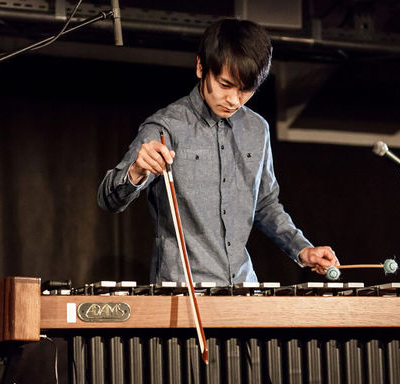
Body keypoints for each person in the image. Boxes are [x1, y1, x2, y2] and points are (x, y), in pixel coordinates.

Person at [98, 18, 339, 286]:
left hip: (242, 287)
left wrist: (302, 249)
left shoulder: (257, 129)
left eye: (246, 89)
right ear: (201, 67)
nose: (234, 100)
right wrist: (136, 171)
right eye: (226, 85)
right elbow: (108, 200)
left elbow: (266, 204)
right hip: (181, 293)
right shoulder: (166, 126)